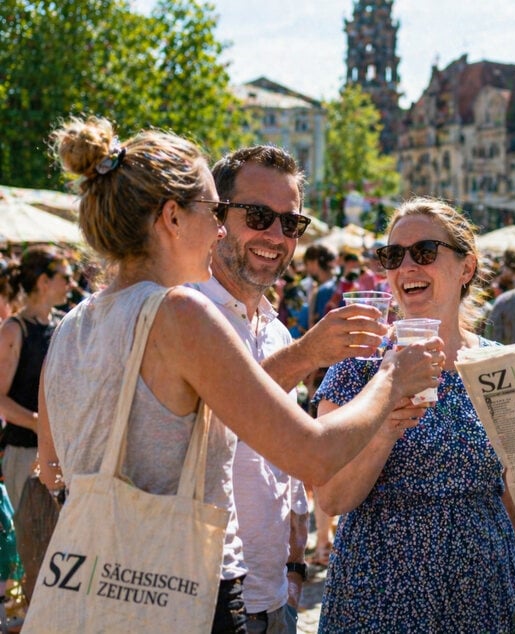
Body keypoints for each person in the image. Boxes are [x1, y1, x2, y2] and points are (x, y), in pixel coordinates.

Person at [38, 116, 444, 633]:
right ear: (172, 218)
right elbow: (313, 453)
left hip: (89, 585)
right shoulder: (179, 313)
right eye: (213, 211)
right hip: (181, 590)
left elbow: (49, 469)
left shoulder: (77, 320)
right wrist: (393, 376)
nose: (219, 229)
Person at [314, 197, 515, 632]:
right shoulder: (359, 363)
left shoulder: (496, 366)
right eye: (393, 255)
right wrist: (384, 430)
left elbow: (512, 494)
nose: (407, 266)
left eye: (425, 253)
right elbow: (331, 497)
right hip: (379, 593)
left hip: (482, 594)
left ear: (465, 268)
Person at [201, 145, 387, 633]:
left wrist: (295, 566)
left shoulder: (275, 330)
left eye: (291, 224)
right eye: (260, 216)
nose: (276, 236)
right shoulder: (185, 312)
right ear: (216, 215)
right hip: (205, 598)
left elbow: (282, 466)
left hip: (275, 597)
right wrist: (309, 354)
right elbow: (209, 415)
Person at [0, 246, 72, 511]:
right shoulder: (13, 330)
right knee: (32, 545)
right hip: (25, 452)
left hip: (61, 452)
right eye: (66, 277)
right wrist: (37, 423)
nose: (72, 284)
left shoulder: (64, 324)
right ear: (44, 282)